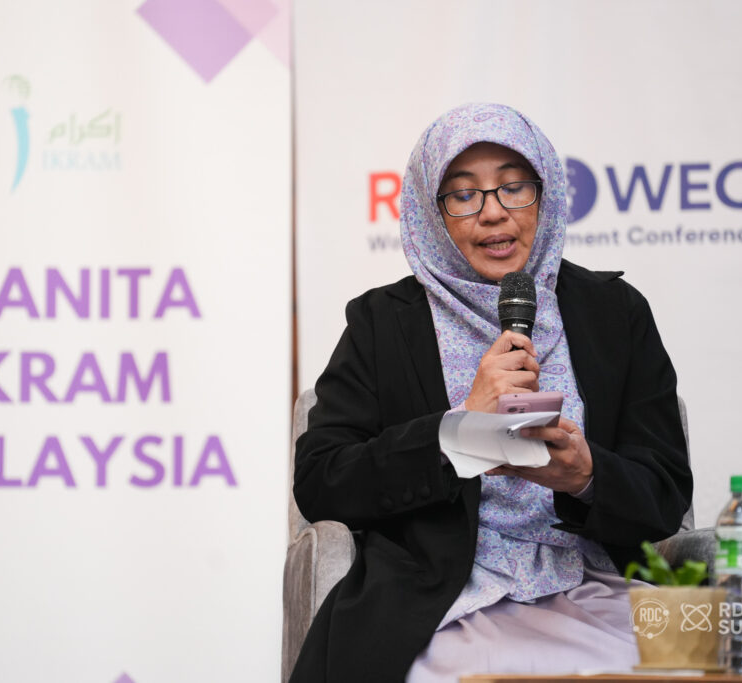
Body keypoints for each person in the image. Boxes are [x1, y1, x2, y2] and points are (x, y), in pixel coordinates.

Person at [290, 103, 693, 682]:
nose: (494, 213)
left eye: (513, 187)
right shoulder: (383, 322)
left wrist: (585, 476)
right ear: (431, 212)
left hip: (592, 583)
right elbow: (322, 481)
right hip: (439, 598)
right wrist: (459, 432)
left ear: (544, 194)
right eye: (463, 194)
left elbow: (665, 492)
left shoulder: (614, 313)